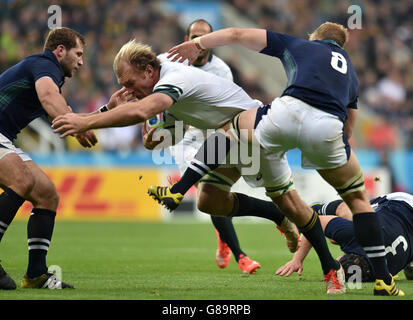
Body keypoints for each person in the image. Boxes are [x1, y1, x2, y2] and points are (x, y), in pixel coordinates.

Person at [151, 22, 404, 296]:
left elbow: (237, 34)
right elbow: (350, 129)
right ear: (340, 47)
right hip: (326, 130)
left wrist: (199, 43)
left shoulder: (301, 45)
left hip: (284, 116)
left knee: (229, 128)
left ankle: (178, 189)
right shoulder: (351, 75)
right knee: (358, 202)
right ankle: (383, 281)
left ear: (315, 37)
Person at [50, 39, 302, 277]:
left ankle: (331, 261)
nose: (127, 91)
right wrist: (151, 137)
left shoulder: (174, 78)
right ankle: (276, 215)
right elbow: (165, 132)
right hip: (225, 138)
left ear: (149, 72)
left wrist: (84, 120)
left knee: (297, 208)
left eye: (129, 83)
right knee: (209, 202)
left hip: (253, 135)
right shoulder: (163, 85)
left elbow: (140, 111)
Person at [150, 19, 298, 274]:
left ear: (209, 41)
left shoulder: (221, 70)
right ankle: (239, 252)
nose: (198, 42)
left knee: (212, 193)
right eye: (193, 36)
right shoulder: (168, 61)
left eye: (203, 37)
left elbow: (224, 112)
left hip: (214, 132)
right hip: (184, 135)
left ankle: (239, 240)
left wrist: (220, 138)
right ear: (186, 38)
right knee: (204, 189)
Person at [0, 27, 100, 290]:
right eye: (78, 54)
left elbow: (59, 107)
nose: (81, 62)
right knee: (20, 179)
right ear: (60, 51)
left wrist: (104, 111)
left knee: (47, 194)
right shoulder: (45, 65)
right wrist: (77, 127)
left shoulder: (46, 73)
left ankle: (36, 275)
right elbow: (48, 97)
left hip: (4, 137)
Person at [276, 192, 413, 295]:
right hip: (400, 204)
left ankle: (409, 266)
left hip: (404, 238)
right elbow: (315, 224)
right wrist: (297, 259)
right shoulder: (355, 236)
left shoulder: (385, 271)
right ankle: (319, 208)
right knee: (344, 211)